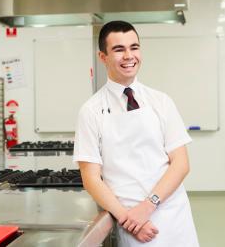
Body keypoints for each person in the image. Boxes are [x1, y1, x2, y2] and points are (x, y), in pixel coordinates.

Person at [74, 21, 199, 246]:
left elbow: (181, 163)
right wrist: (129, 219)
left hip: (173, 214)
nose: (129, 56)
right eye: (119, 50)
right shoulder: (91, 111)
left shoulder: (161, 101)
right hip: (132, 223)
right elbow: (91, 178)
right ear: (103, 57)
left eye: (134, 47)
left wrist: (148, 206)